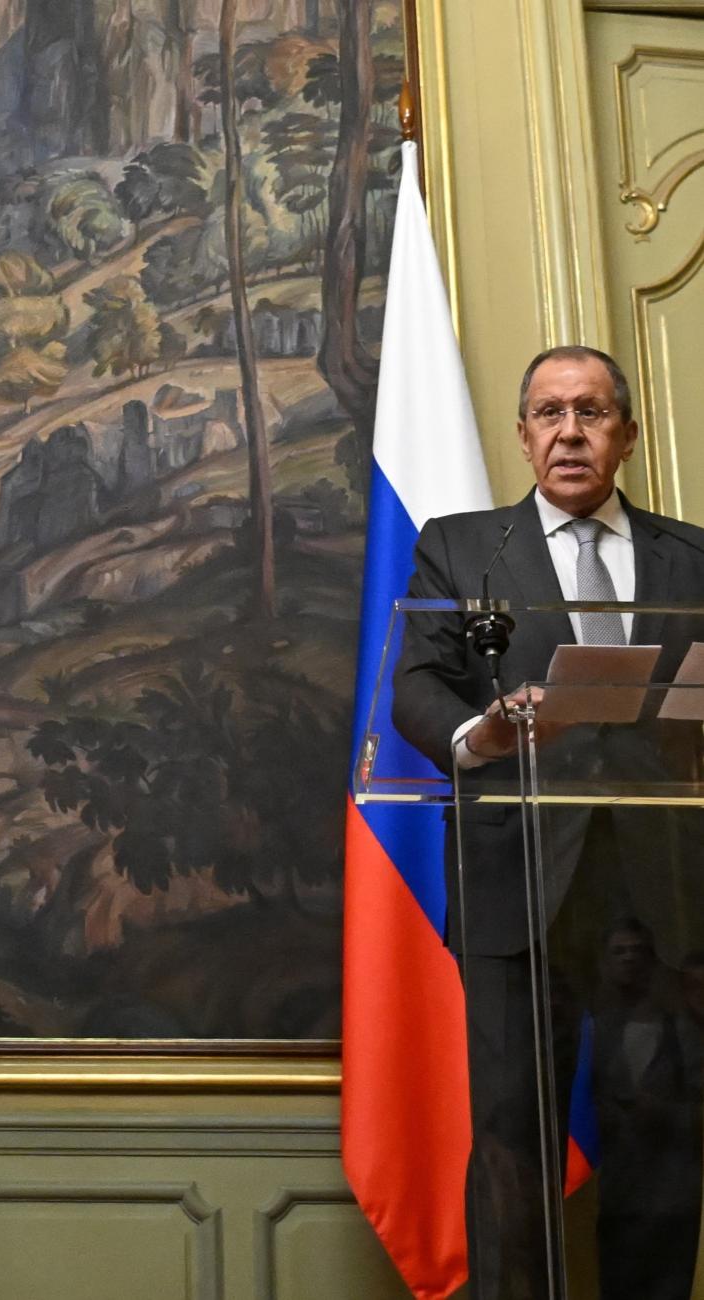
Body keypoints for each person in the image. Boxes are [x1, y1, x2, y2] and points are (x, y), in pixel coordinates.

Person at [391, 346, 704, 1298]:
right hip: (516, 881)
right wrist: (480, 732)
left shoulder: (692, 557)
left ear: (628, 435)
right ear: (523, 435)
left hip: (660, 894)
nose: (571, 433)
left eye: (593, 412)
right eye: (550, 414)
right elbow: (414, 685)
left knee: (660, 1131)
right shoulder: (459, 545)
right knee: (511, 1140)